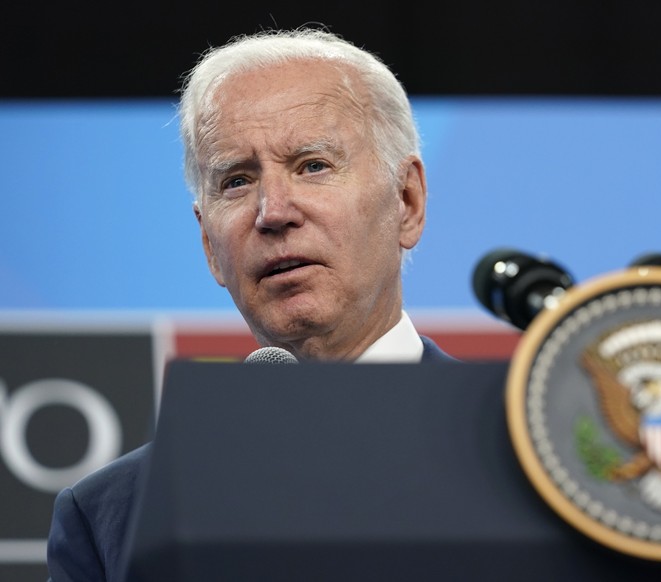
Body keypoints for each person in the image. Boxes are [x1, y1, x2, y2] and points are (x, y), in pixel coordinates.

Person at [46, 27, 453, 582]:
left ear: (406, 202)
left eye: (312, 165)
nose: (273, 211)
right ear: (209, 245)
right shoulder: (109, 519)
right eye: (236, 181)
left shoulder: (536, 460)